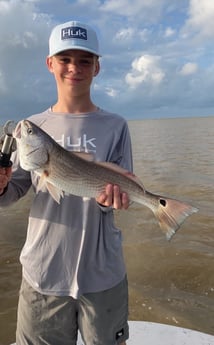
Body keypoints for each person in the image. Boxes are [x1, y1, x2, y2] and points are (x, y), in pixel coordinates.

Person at [0, 20, 133, 345]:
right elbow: (12, 191)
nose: (74, 67)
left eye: (84, 59)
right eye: (65, 59)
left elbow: (122, 193)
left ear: (97, 66)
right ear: (50, 63)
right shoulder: (34, 126)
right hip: (43, 274)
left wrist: (110, 201)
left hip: (102, 274)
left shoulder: (116, 126)